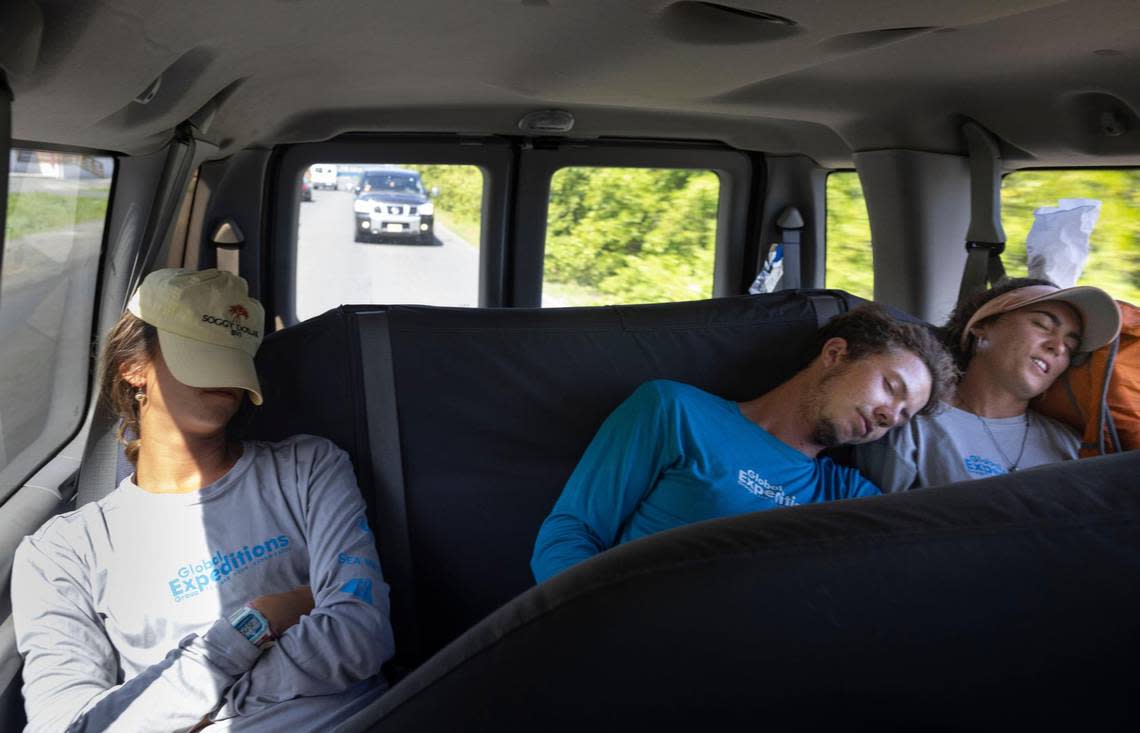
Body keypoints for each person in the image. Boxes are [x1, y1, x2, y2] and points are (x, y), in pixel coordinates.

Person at [11, 269, 394, 732]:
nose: (224, 380)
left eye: (232, 355)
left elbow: (359, 635)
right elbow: (72, 726)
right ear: (133, 366)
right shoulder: (64, 550)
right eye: (199, 353)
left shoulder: (307, 468)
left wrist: (203, 706)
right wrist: (258, 620)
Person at [531, 304, 957, 583]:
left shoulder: (846, 494)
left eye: (904, 416)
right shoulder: (677, 412)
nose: (889, 416)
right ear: (835, 354)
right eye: (890, 386)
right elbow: (571, 532)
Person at [856, 278, 1122, 492]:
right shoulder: (910, 423)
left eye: (1071, 346)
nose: (1058, 347)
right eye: (1042, 325)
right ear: (982, 326)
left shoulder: (1073, 445)